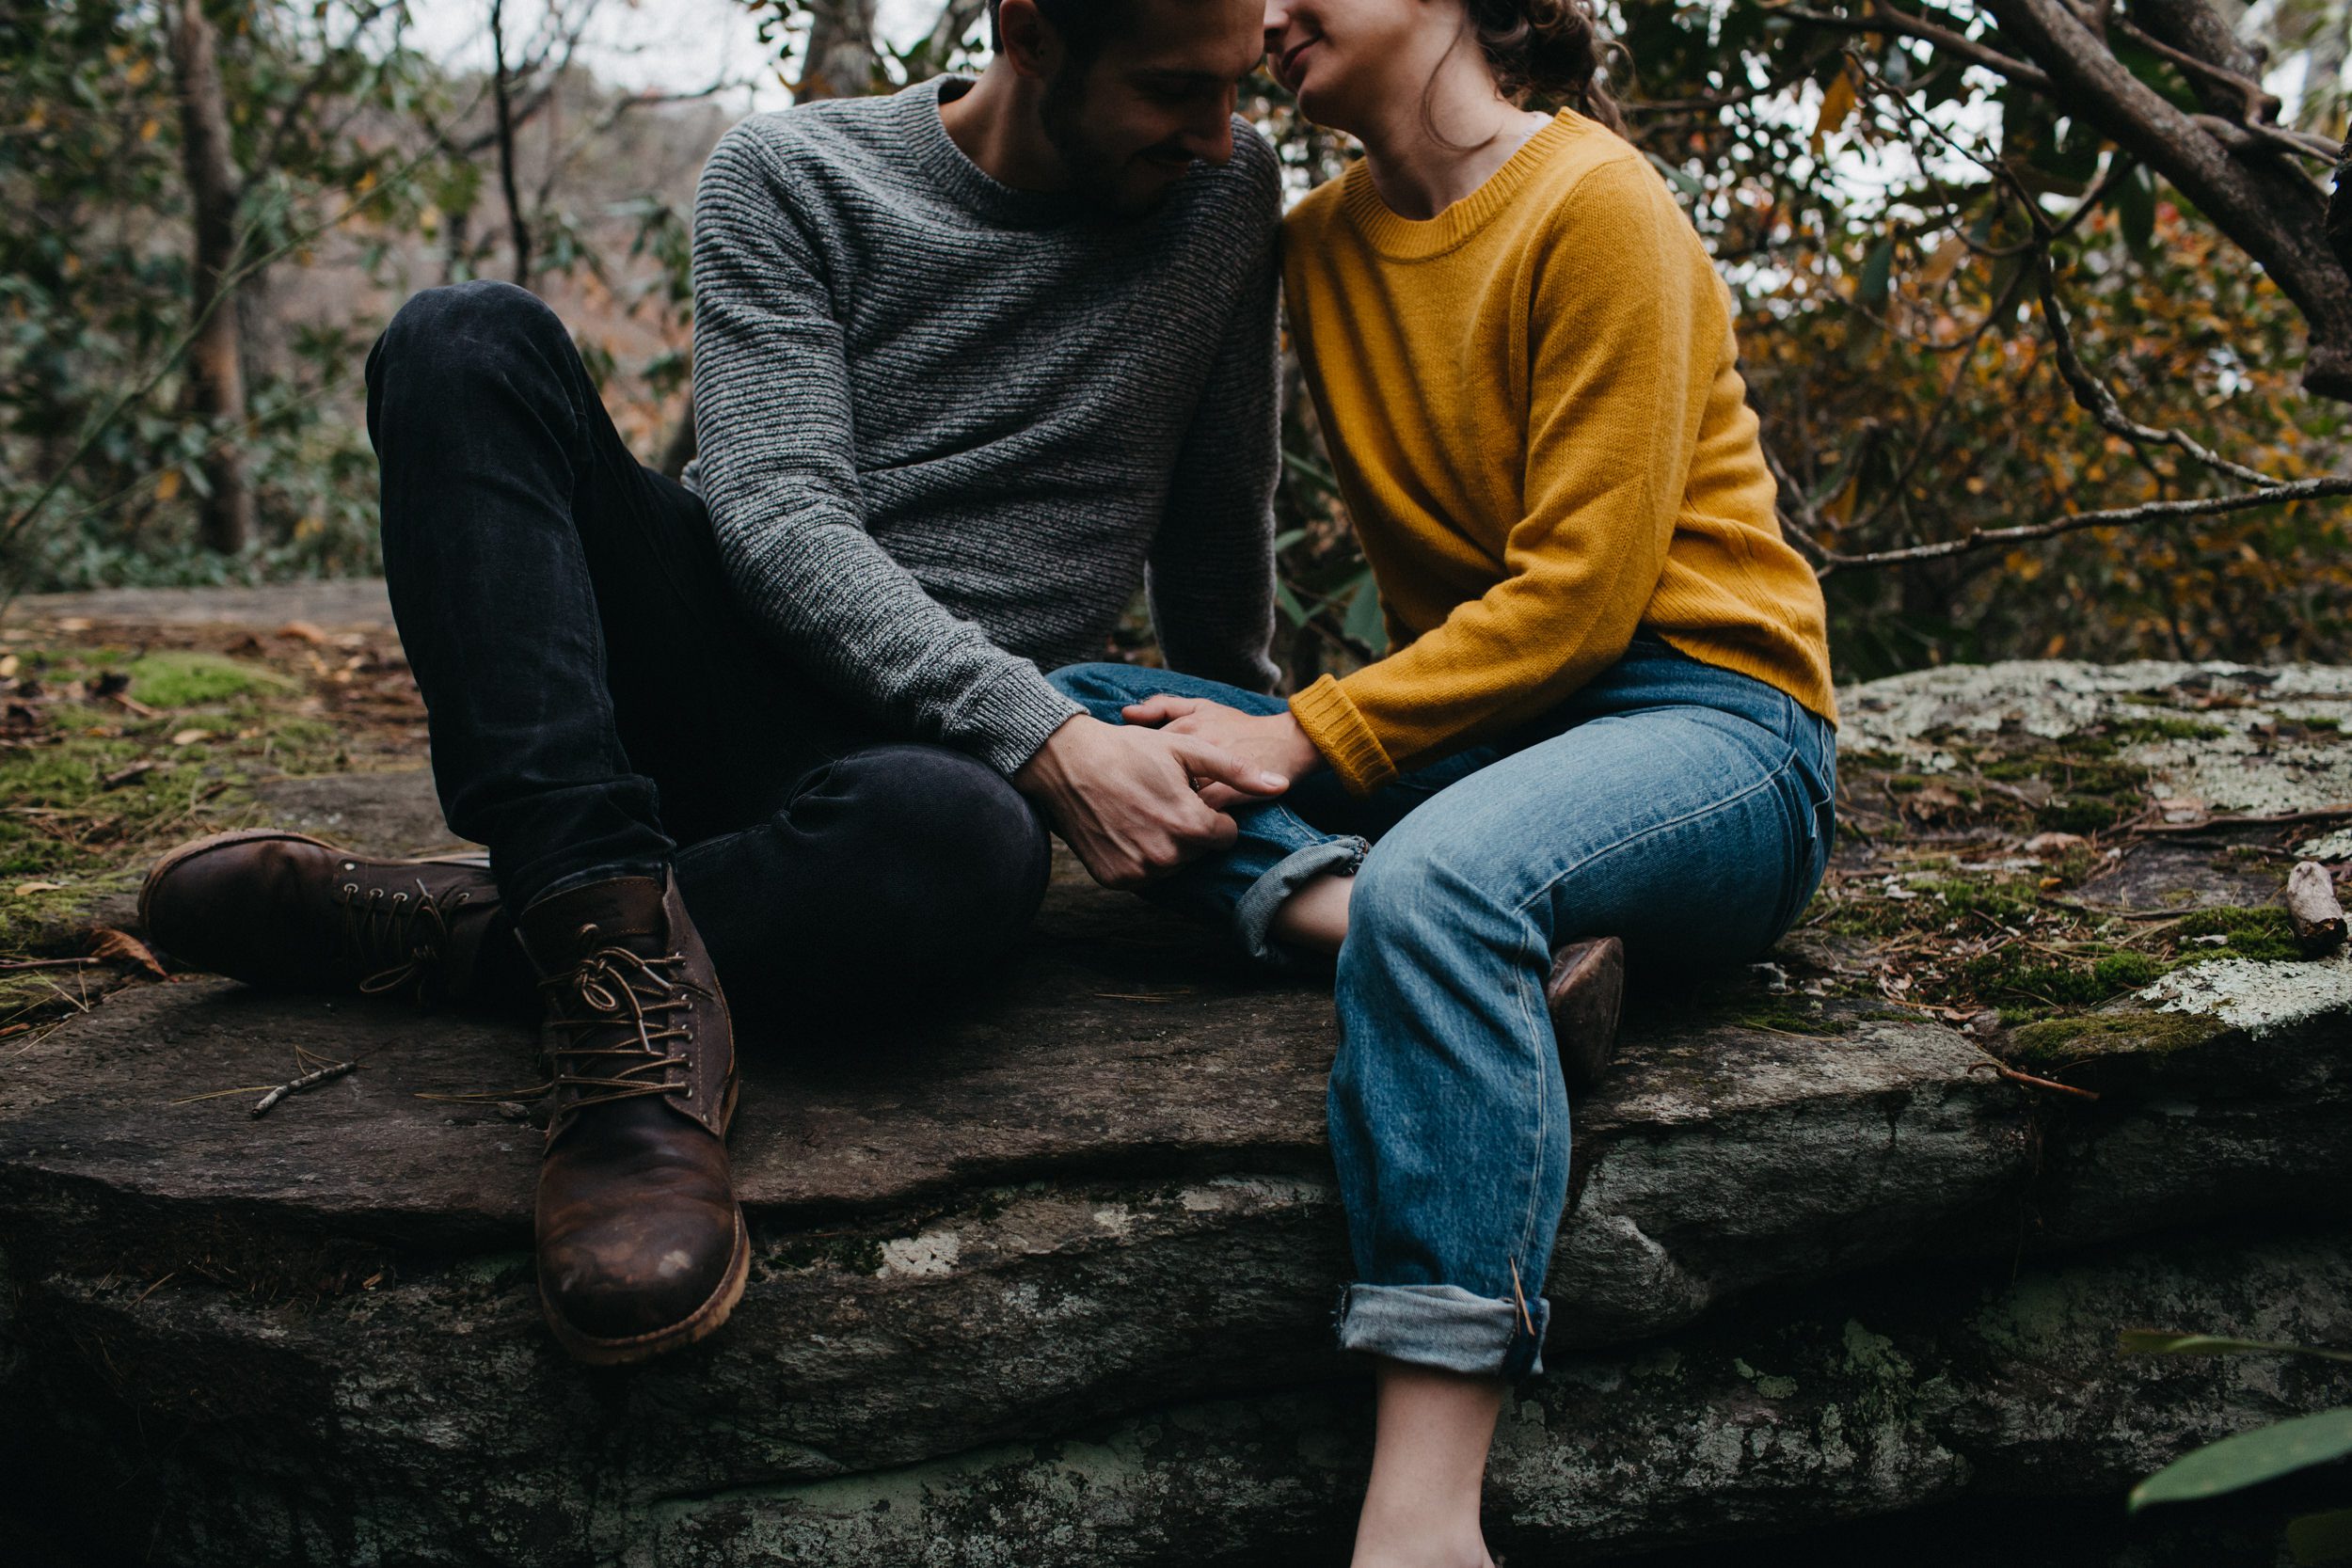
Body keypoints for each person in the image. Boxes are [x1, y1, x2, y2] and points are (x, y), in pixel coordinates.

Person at [136, 0, 1290, 1368]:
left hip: (914, 774)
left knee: (961, 844)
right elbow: (779, 520)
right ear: (1031, 34)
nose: (1219, 138)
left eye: (1236, 91)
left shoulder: (1226, 192)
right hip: (725, 660)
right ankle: (620, 1014)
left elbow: (1220, 521)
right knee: (463, 336)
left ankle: (481, 929)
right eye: (1175, 94)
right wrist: (1044, 734)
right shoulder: (794, 173)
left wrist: (1258, 766)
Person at [1048, 1, 1839, 1561]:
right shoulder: (1324, 242)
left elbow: (1583, 596)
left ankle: (1424, 1515)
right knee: (1066, 707)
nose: (1266, 14)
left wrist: (1303, 739)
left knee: (1448, 876)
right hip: (1488, 749)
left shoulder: (1593, 201)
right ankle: (1379, 926)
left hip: (1715, 727)